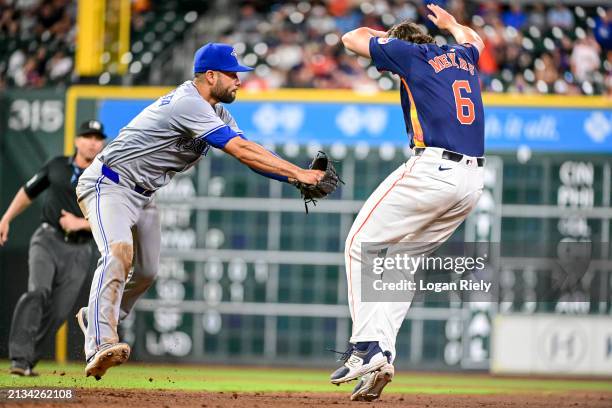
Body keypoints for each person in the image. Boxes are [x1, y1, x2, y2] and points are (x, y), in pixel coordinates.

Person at [75, 43, 327, 380]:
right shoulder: (188, 103)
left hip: (144, 194)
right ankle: (100, 342)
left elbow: (251, 151)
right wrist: (298, 172)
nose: (239, 81)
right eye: (232, 74)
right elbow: (239, 150)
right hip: (109, 183)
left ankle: (97, 316)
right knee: (118, 253)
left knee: (147, 271)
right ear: (210, 75)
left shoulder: (217, 112)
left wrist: (293, 178)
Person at [331, 4, 485, 401]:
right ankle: (382, 355)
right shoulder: (464, 57)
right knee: (400, 259)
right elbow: (475, 40)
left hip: (434, 169)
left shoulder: (410, 54)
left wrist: (384, 37)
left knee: (358, 245)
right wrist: (452, 25)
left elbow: (351, 39)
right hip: (472, 182)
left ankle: (365, 346)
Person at [0, 120, 106, 376]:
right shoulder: (57, 165)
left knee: (59, 311)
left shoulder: (106, 174)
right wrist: (5, 218)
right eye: (87, 136)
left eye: (97, 137)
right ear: (77, 141)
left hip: (80, 251)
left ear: (102, 143)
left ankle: (28, 361)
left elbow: (112, 216)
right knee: (37, 292)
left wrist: (80, 224)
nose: (93, 141)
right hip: (47, 239)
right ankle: (19, 359)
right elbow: (28, 191)